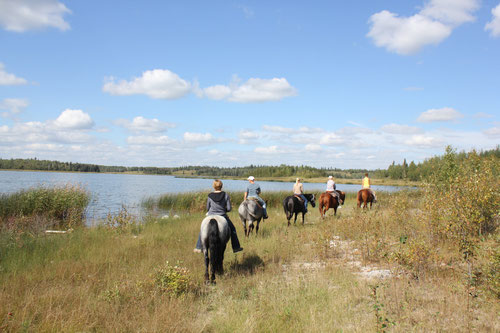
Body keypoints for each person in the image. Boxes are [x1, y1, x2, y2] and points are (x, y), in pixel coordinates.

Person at [194, 179, 243, 253]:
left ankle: (198, 247)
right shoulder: (226, 195)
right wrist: (223, 210)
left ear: (214, 186)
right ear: (221, 186)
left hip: (211, 215)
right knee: (233, 229)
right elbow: (229, 208)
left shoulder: (210, 195)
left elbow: (207, 208)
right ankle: (236, 247)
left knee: (202, 228)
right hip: (222, 215)